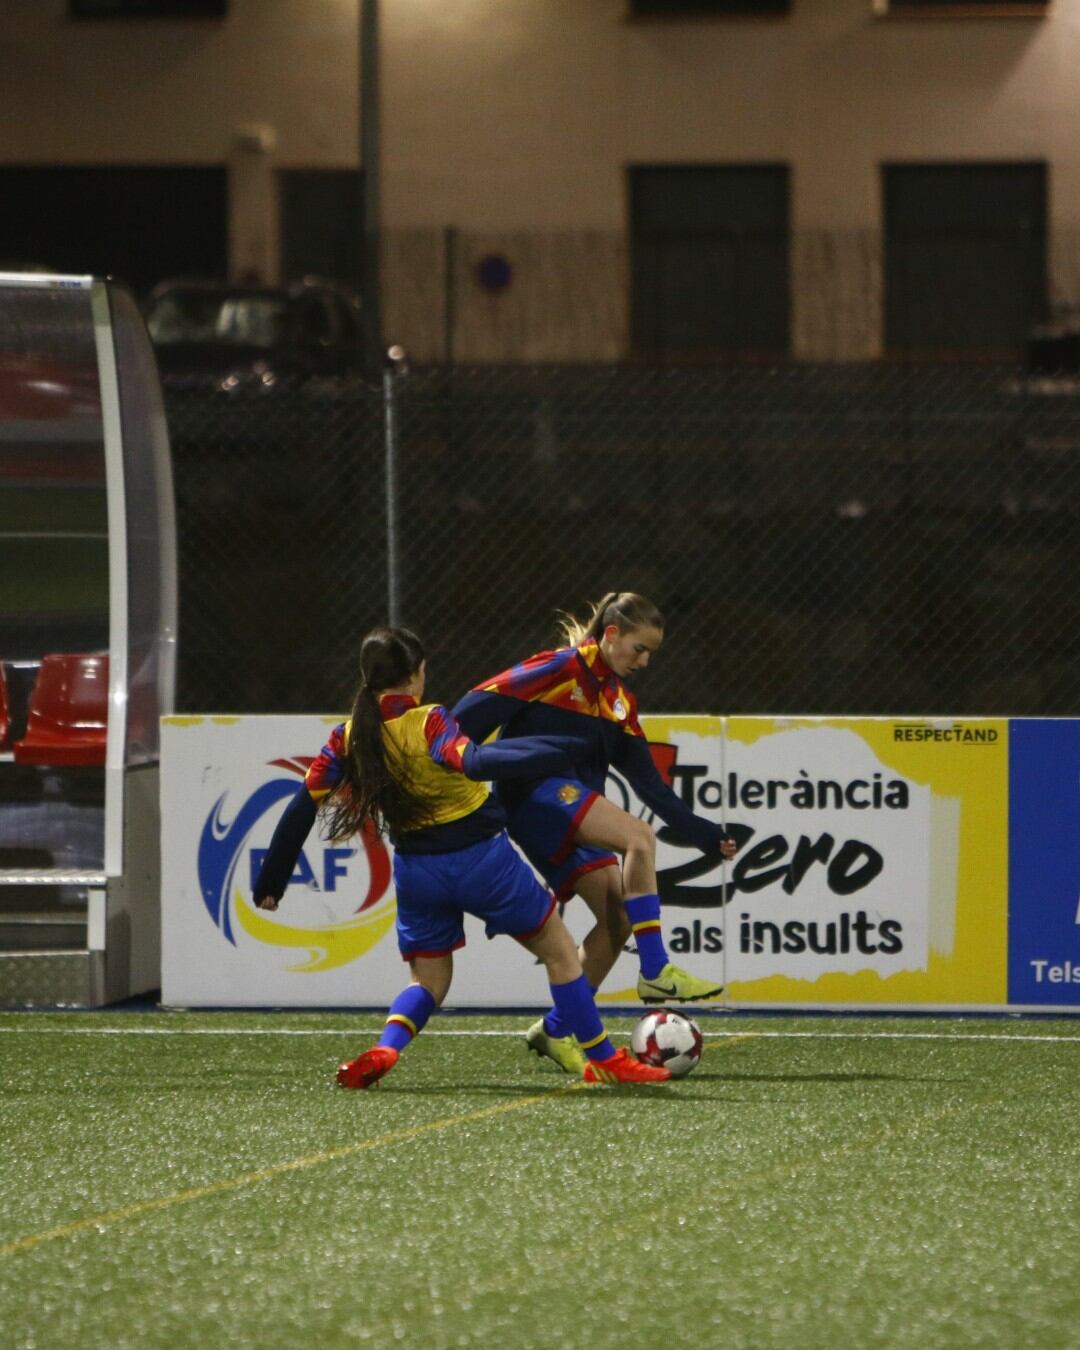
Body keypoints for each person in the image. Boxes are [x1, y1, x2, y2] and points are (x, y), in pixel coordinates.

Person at [252, 626, 671, 1088]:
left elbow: (301, 805)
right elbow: (471, 762)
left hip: (417, 874)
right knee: (562, 957)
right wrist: (556, 749)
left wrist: (272, 877)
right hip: (481, 862)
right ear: (415, 676)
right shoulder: (430, 720)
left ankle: (385, 1049)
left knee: (428, 984)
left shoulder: (347, 737)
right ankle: (607, 1058)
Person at [452, 592, 737, 1075]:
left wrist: (704, 834)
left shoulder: (619, 702)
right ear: (611, 635)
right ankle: (655, 971)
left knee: (618, 920)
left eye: (651, 654)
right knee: (638, 837)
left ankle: (556, 1028)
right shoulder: (556, 668)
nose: (644, 661)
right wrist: (448, 762)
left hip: (567, 810)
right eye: (638, 649)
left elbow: (651, 784)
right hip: (535, 797)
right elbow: (469, 710)